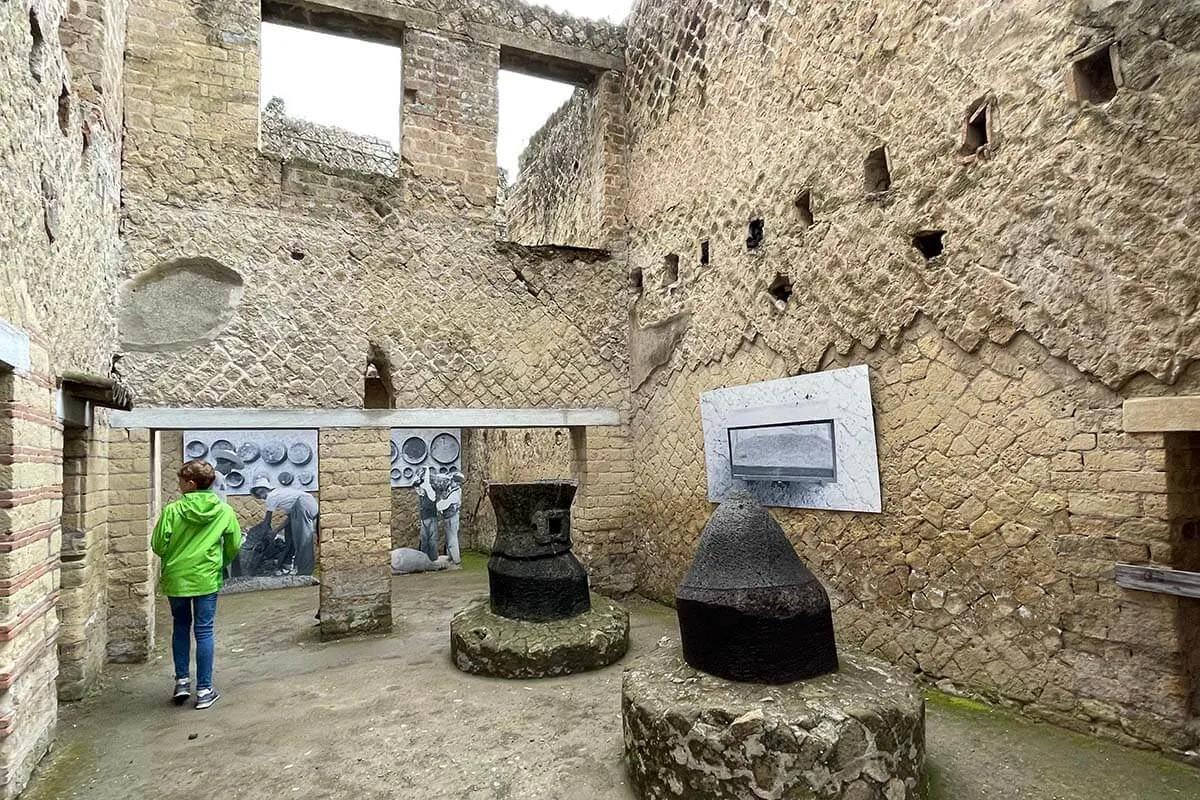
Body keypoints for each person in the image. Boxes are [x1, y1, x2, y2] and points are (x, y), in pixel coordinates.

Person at [151, 460, 241, 710]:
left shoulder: (172, 511)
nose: (178, 485)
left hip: (177, 579)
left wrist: (175, 557)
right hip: (206, 578)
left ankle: (182, 681)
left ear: (191, 484)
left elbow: (158, 545)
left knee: (180, 626)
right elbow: (234, 545)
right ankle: (204, 690)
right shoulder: (224, 511)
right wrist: (218, 562)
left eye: (180, 481)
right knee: (204, 631)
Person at [249, 476, 318, 576]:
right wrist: (275, 531)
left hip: (304, 503)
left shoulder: (271, 496)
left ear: (266, 489)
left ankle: (304, 572)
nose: (261, 496)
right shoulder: (282, 494)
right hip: (305, 504)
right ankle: (287, 564)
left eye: (260, 492)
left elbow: (267, 521)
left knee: (303, 539)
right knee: (289, 533)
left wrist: (261, 534)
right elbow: (290, 518)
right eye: (258, 494)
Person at [437, 471, 465, 565]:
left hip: (452, 518)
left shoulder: (454, 494)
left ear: (456, 482)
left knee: (452, 539)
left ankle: (456, 559)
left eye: (451, 481)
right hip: (450, 517)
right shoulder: (454, 490)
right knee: (449, 538)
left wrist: (438, 503)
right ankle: (451, 556)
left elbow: (443, 505)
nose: (450, 482)